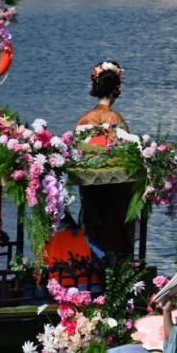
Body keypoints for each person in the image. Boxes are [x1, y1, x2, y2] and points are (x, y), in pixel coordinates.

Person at [76, 60, 135, 257]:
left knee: (93, 225)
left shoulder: (85, 120)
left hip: (90, 187)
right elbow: (129, 156)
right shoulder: (117, 120)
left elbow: (77, 151)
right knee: (114, 228)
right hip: (116, 191)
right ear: (116, 90)